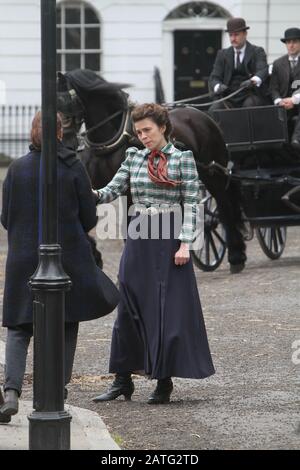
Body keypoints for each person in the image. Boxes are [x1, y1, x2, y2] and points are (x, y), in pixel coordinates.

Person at [92, 103, 215, 405]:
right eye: (138, 132)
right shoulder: (133, 157)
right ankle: (122, 380)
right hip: (139, 234)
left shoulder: (183, 159)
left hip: (169, 238)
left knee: (164, 310)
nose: (143, 136)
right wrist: (84, 191)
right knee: (128, 304)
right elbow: (111, 191)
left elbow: (192, 203)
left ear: (163, 128)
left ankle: (163, 381)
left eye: (147, 130)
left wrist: (186, 243)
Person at [0, 111, 119, 423]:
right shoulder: (71, 166)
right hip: (67, 257)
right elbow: (90, 217)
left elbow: (5, 217)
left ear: (32, 132)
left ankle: (11, 391)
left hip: (23, 256)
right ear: (60, 133)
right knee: (67, 322)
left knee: (19, 327)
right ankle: (56, 390)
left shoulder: (16, 167)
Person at [208, 17, 270, 114]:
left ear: (245, 34)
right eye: (230, 35)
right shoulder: (222, 54)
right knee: (214, 110)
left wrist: (252, 81)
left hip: (250, 95)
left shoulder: (257, 51)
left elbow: (263, 70)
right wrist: (218, 86)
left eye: (236, 35)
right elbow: (214, 77)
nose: (233, 39)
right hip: (228, 97)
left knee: (249, 107)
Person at [270, 28, 300, 146]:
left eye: (295, 42)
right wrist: (279, 101)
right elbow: (273, 88)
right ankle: (278, 147)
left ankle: (297, 139)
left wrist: (293, 100)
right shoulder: (278, 63)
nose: (291, 45)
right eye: (288, 42)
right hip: (283, 104)